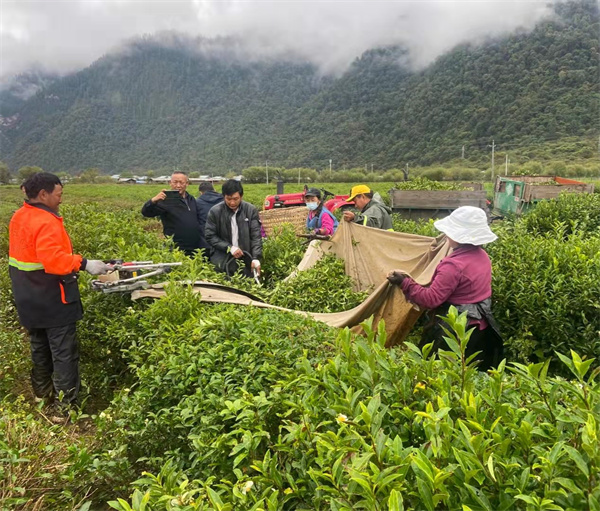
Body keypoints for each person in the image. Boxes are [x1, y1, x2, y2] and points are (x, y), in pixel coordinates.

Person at [8, 172, 110, 417]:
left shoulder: (19, 216)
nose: (61, 199)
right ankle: (64, 410)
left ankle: (42, 396)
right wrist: (84, 263)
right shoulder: (46, 221)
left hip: (28, 296)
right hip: (54, 298)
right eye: (59, 194)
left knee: (39, 347)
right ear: (43, 194)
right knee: (64, 353)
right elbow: (53, 261)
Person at [387, 206, 503, 370]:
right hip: (480, 327)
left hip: (454, 331)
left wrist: (404, 282)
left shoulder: (453, 265)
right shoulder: (482, 256)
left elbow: (431, 299)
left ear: (458, 236)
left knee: (438, 372)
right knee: (469, 373)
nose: (447, 235)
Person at [205, 179, 262, 277]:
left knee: (246, 282)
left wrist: (256, 257)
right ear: (223, 196)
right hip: (222, 259)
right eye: (228, 199)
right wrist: (229, 248)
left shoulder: (250, 210)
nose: (232, 203)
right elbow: (210, 236)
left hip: (245, 258)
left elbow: (256, 236)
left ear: (241, 196)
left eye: (235, 199)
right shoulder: (215, 212)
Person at [141, 171, 203, 256]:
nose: (178, 185)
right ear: (170, 183)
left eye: (181, 182)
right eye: (175, 182)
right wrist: (153, 201)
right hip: (175, 248)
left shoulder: (191, 199)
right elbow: (146, 213)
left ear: (187, 183)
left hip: (194, 247)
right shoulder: (165, 201)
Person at [196, 181, 224, 247]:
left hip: (205, 241)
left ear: (200, 192)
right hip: (224, 240)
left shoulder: (197, 202)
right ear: (214, 190)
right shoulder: (225, 200)